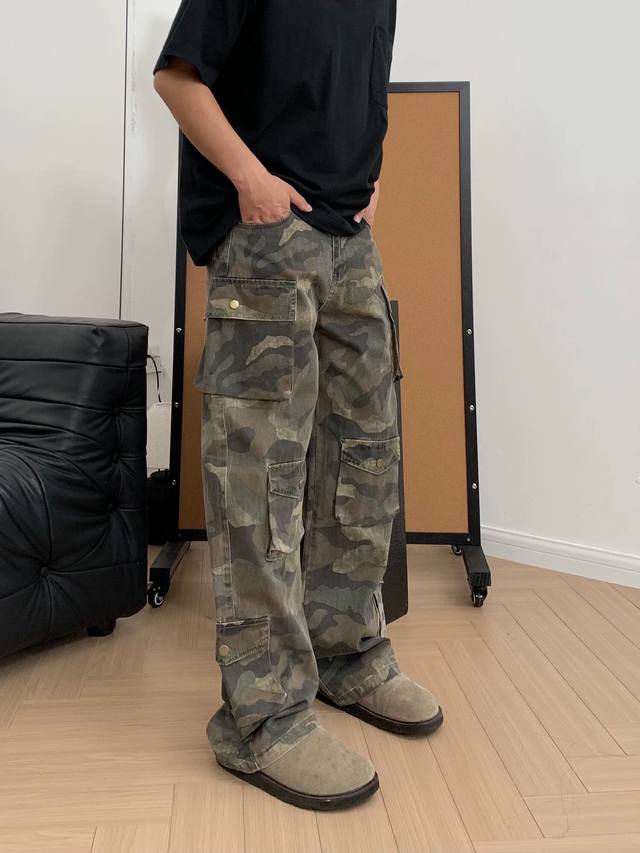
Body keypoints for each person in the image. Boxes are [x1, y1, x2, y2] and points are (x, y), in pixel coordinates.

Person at [153, 0, 443, 812]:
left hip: (351, 240)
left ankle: (348, 655)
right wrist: (251, 180)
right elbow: (178, 79)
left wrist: (372, 179)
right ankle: (264, 715)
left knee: (365, 460)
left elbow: (359, 91)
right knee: (261, 483)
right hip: (266, 237)